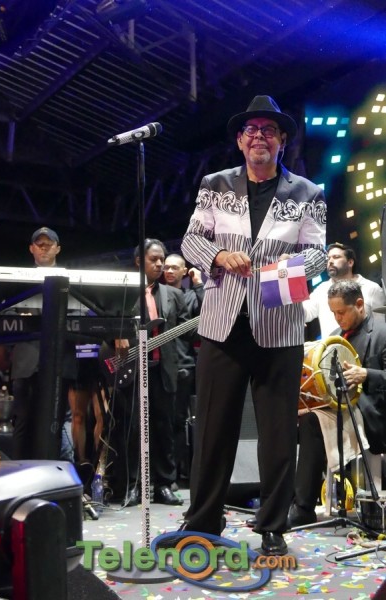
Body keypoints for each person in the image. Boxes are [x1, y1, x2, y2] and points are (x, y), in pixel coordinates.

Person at [164, 94, 328, 557]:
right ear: (240, 141)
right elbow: (192, 239)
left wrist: (278, 271)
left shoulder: (308, 193)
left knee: (278, 433)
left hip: (279, 324)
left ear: (282, 142)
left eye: (269, 131)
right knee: (213, 429)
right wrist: (218, 255)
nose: (260, 137)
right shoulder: (215, 184)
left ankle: (272, 526)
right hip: (223, 323)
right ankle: (203, 521)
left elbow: (317, 254)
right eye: (252, 130)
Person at [289, 279, 386, 527]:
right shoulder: (334, 337)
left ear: (360, 304)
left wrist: (366, 374)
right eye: (333, 313)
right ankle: (296, 503)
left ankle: (303, 507)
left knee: (313, 422)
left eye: (341, 312)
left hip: (374, 410)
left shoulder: (382, 332)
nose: (337, 318)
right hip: (342, 409)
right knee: (304, 417)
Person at [113, 239, 191, 506]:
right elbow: (107, 320)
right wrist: (117, 335)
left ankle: (164, 484)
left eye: (162, 260)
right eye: (154, 259)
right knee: (133, 428)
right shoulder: (123, 290)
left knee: (163, 428)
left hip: (163, 370)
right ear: (139, 261)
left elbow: (187, 330)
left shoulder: (173, 295)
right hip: (133, 368)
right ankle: (134, 485)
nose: (160, 264)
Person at [10, 227, 76, 460]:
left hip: (61, 359)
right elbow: (4, 311)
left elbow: (82, 312)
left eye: (49, 244)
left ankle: (64, 473)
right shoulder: (16, 278)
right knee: (23, 420)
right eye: (39, 244)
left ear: (58, 248)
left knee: (61, 419)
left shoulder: (71, 278)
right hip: (27, 360)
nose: (44, 248)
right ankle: (19, 473)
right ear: (31, 249)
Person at [163, 253, 204, 484]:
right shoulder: (157, 294)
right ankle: (164, 474)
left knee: (179, 421)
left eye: (174, 268)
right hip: (161, 364)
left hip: (184, 364)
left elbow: (208, 314)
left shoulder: (190, 296)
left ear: (184, 270)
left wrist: (198, 283)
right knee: (163, 421)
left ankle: (178, 474)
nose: (169, 271)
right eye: (166, 267)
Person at [303, 242, 386, 339]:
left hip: (365, 347)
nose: (330, 261)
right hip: (331, 347)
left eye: (336, 257)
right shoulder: (321, 290)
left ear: (350, 262)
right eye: (328, 258)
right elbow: (304, 313)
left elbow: (381, 324)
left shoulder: (371, 288)